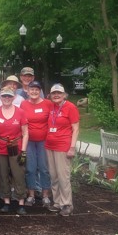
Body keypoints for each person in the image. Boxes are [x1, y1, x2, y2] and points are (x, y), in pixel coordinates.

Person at [0, 87, 29, 215]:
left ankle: (20, 201)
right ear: (0, 98)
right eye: (4, 96)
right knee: (3, 174)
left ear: (13, 97)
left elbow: (25, 132)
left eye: (9, 96)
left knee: (18, 173)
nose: (6, 99)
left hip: (16, 146)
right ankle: (6, 200)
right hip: (0, 146)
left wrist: (23, 151)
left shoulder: (20, 112)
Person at [45, 83, 80, 216]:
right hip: (49, 146)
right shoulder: (51, 106)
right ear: (50, 95)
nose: (56, 95)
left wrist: (72, 147)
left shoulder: (70, 107)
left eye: (59, 93)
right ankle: (57, 202)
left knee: (63, 176)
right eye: (54, 93)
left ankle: (67, 204)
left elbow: (76, 128)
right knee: (54, 176)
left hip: (63, 146)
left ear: (64, 95)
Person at [20, 80, 53, 207]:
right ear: (27, 91)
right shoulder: (23, 104)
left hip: (43, 141)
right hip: (28, 141)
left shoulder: (47, 104)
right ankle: (31, 195)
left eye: (36, 90)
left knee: (44, 168)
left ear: (40, 91)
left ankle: (45, 195)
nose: (34, 92)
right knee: (30, 168)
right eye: (31, 89)